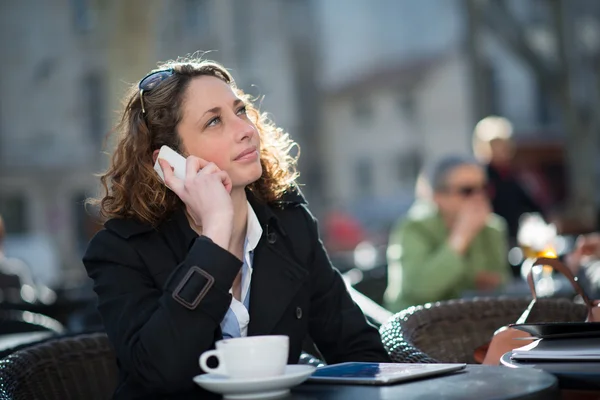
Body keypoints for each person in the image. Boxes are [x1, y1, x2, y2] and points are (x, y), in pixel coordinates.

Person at [83, 59, 390, 399]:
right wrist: (216, 235)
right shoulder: (122, 250)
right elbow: (160, 373)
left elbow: (357, 347)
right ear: (168, 162)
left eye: (240, 111)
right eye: (214, 121)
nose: (246, 130)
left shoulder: (289, 223)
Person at [384, 156, 511, 312]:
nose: (479, 197)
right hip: (415, 326)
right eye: (467, 190)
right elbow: (420, 289)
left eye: (484, 188)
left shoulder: (492, 228)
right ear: (438, 196)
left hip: (472, 321)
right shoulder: (412, 227)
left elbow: (501, 284)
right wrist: (461, 238)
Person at [472, 116, 545, 242]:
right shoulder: (479, 178)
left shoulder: (513, 175)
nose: (502, 150)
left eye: (504, 145)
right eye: (495, 145)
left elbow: (532, 207)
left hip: (514, 239)